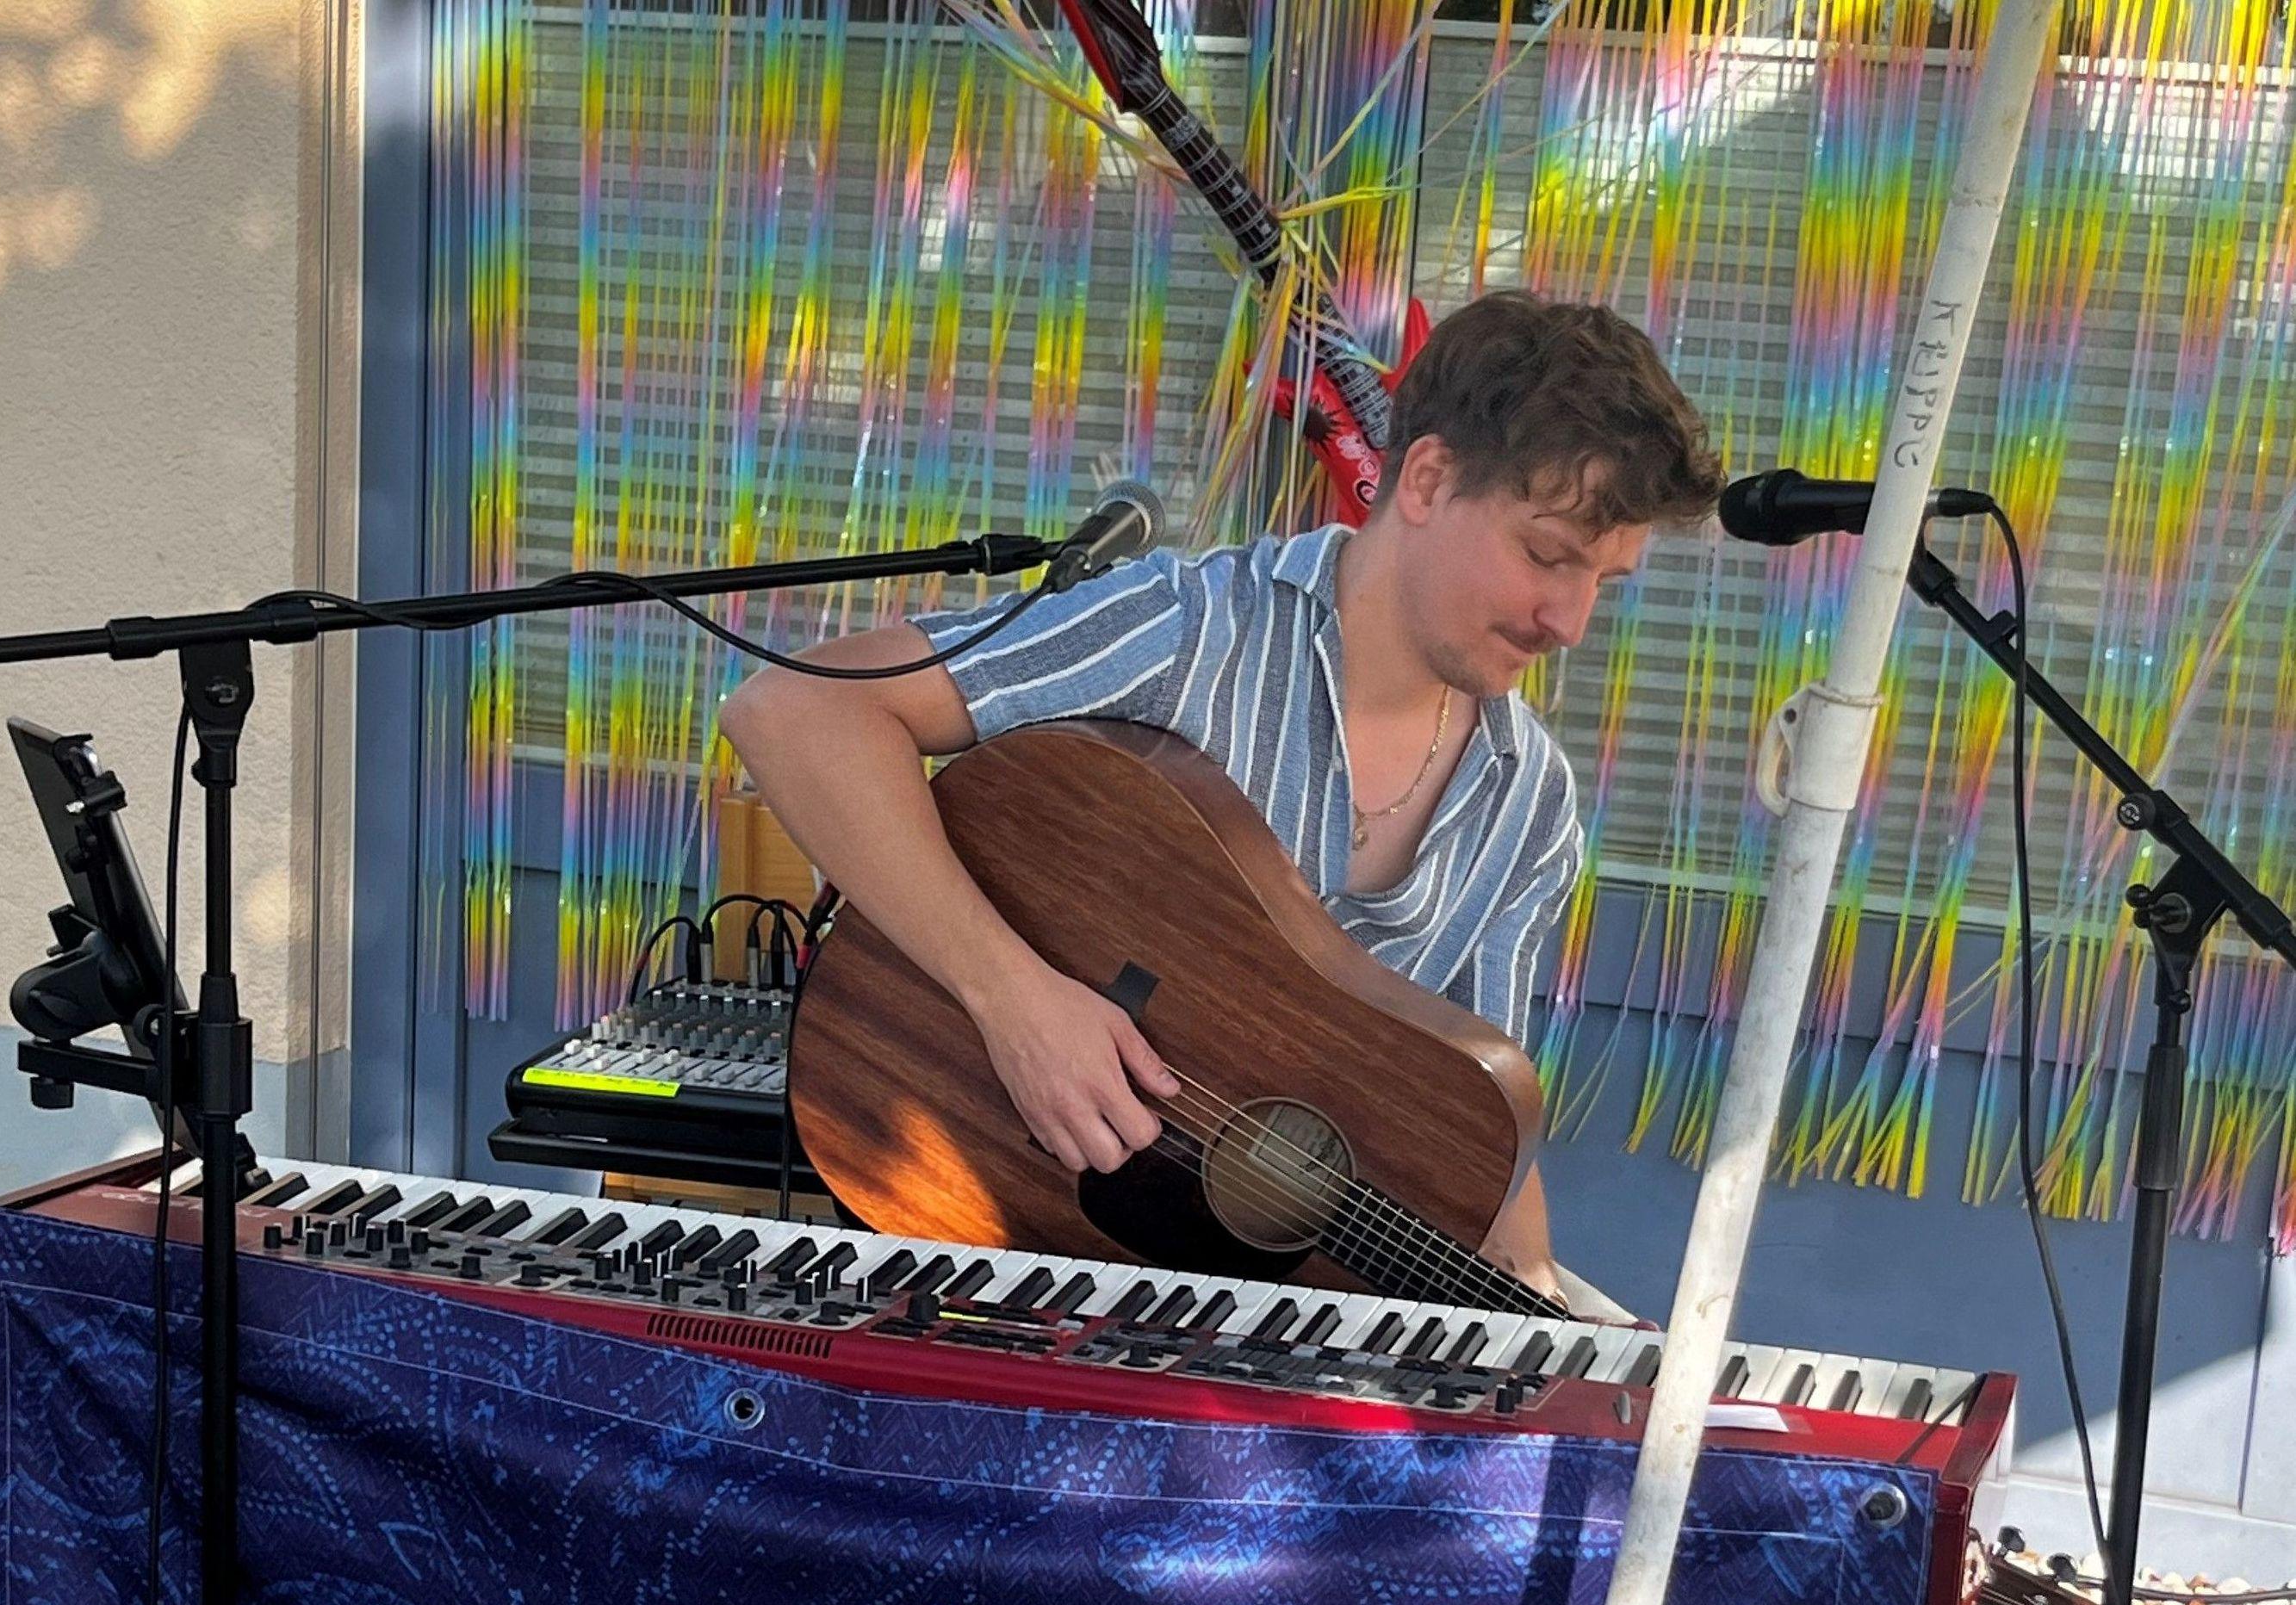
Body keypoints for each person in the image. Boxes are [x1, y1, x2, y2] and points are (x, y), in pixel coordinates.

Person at [720, 288, 1724, 1304]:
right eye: (1547, 556)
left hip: (1264, 1333)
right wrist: (1014, 1001)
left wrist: (1532, 1303)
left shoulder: (1528, 808)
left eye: (1604, 582)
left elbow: (1475, 1138)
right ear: (1426, 479)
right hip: (991, 1255)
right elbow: (794, 712)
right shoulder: (1187, 633)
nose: (1569, 620)